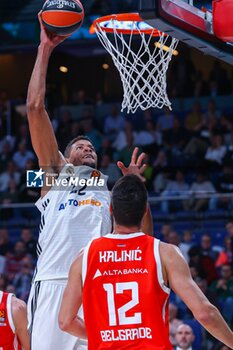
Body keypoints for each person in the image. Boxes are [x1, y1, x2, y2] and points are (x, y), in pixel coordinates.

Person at [26, 12, 153, 350]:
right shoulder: (55, 174)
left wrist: (136, 190)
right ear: (65, 157)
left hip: (97, 288)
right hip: (54, 284)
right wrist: (45, 48)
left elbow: (143, 237)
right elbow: (35, 108)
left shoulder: (110, 192)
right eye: (79, 146)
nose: (88, 148)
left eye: (92, 146)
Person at [59, 174, 233, 349]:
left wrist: (103, 336)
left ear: (110, 209)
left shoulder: (85, 257)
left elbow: (66, 322)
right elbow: (205, 314)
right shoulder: (166, 253)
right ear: (144, 211)